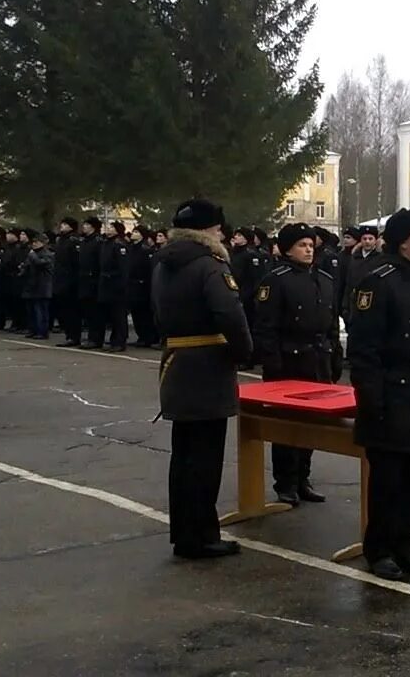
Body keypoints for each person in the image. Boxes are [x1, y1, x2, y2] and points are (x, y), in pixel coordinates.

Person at [347, 207, 410, 580]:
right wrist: (372, 400)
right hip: (393, 392)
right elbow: (363, 349)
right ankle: (379, 549)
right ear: (403, 241)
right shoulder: (379, 281)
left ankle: (405, 545)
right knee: (388, 479)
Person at [152, 198, 253, 559]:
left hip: (176, 362)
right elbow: (229, 312)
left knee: (184, 457)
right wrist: (244, 352)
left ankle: (184, 532)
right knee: (206, 458)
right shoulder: (211, 265)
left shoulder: (165, 263)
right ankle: (203, 536)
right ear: (211, 230)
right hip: (208, 365)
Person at [252, 222, 337, 505]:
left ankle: (303, 477)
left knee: (311, 424)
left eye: (311, 245)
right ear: (287, 249)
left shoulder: (324, 279)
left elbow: (331, 323)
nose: (309, 250)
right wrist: (272, 363)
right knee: (286, 426)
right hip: (289, 360)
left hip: (317, 358)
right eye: (302, 245)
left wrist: (334, 356)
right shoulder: (276, 279)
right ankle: (285, 482)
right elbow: (266, 326)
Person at [99, 222, 131, 352]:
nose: (108, 229)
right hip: (106, 284)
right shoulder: (105, 244)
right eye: (108, 227)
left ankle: (120, 340)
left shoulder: (120, 245)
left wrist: (121, 285)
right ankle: (114, 339)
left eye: (112, 228)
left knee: (119, 315)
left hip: (116, 284)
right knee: (111, 315)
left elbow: (124, 268)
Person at [127, 226, 159, 348]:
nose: (133, 234)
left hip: (142, 285)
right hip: (132, 284)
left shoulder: (146, 250)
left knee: (144, 313)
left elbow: (149, 269)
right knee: (136, 313)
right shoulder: (131, 248)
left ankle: (148, 337)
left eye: (136, 232)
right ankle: (141, 336)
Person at [54, 217, 82, 347]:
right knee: (63, 310)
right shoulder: (60, 240)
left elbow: (76, 262)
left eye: (65, 224)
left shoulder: (73, 241)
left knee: (72, 311)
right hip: (60, 279)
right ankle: (69, 334)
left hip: (70, 281)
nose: (62, 226)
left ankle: (74, 336)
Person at [78, 217, 106, 350]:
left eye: (87, 224)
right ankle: (91, 336)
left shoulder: (98, 242)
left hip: (94, 280)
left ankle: (96, 338)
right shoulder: (84, 241)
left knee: (96, 312)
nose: (84, 226)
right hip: (84, 280)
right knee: (88, 311)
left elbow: (100, 262)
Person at [20, 231, 55, 339]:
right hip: (31, 285)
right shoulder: (31, 254)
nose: (34, 244)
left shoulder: (48, 254)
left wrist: (33, 256)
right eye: (33, 242)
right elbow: (26, 267)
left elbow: (41, 264)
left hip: (42, 286)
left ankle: (42, 331)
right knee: (31, 310)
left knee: (41, 310)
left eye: (37, 242)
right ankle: (33, 329)